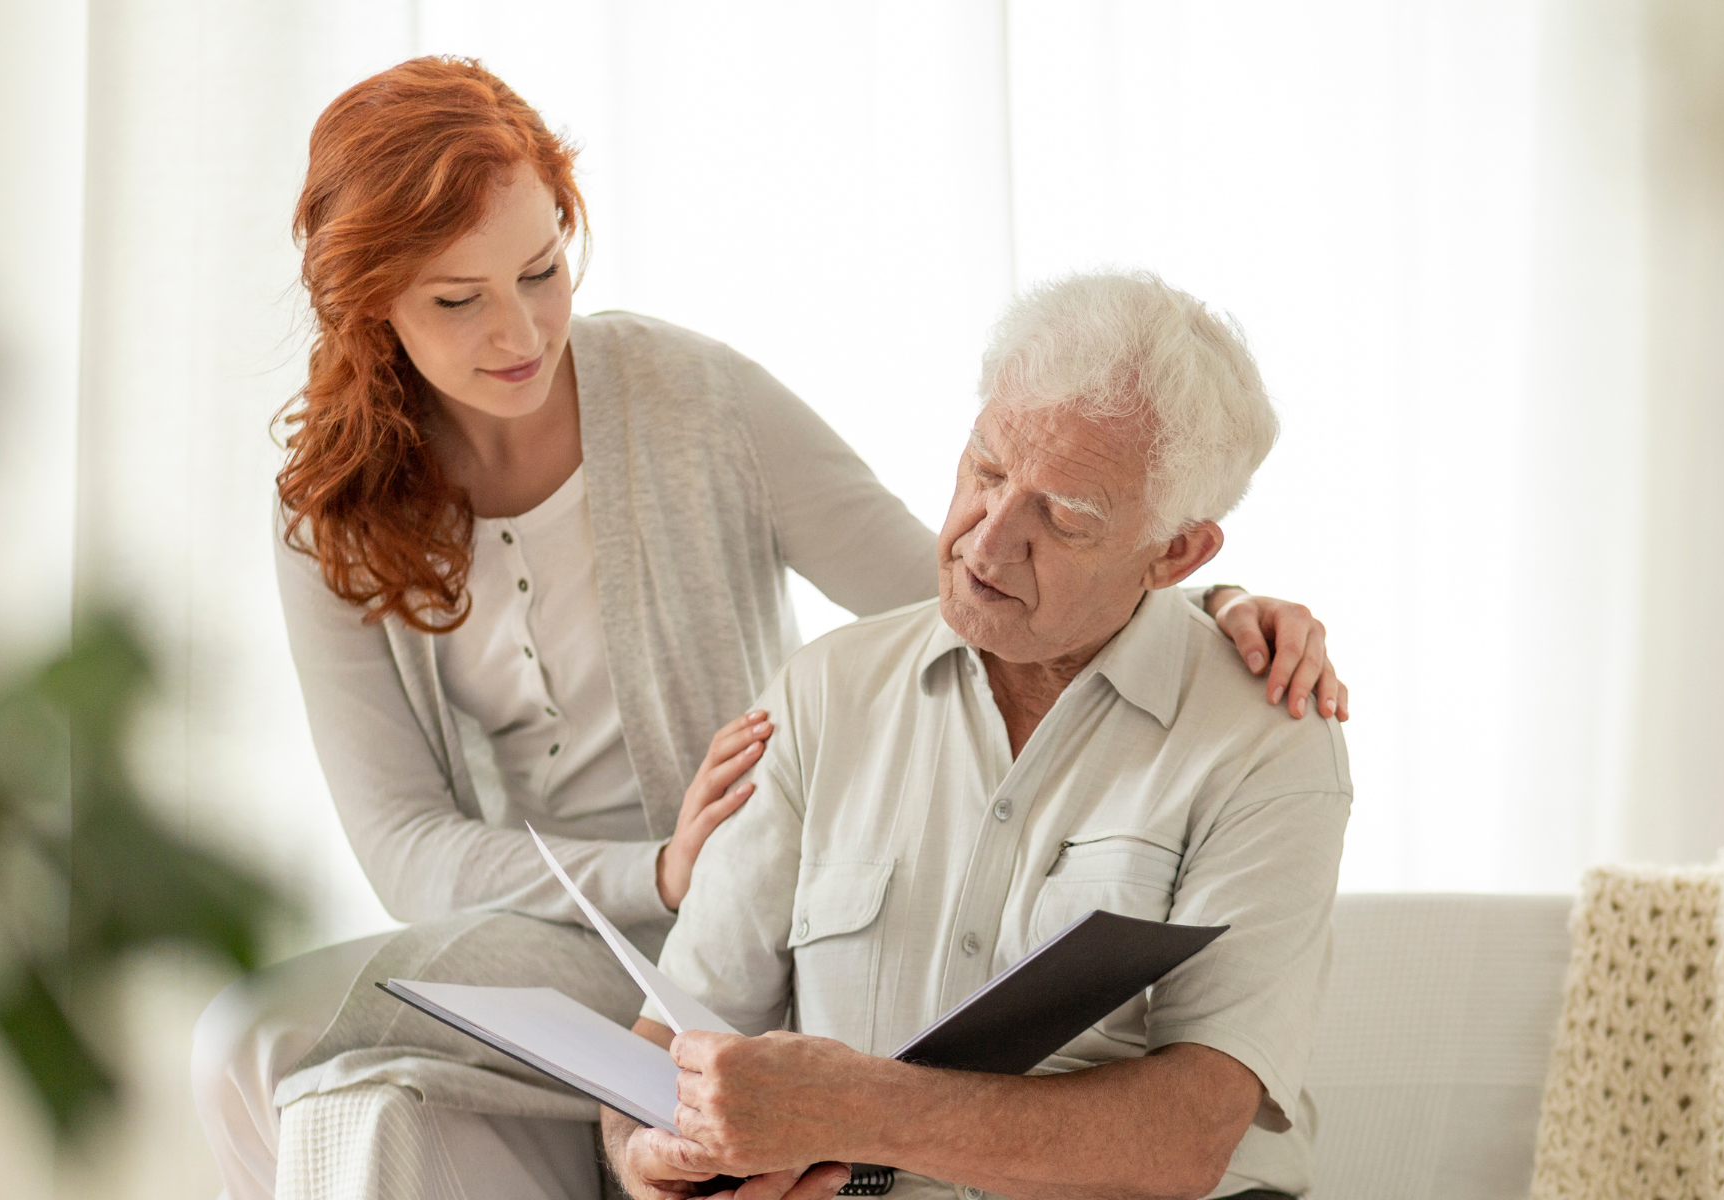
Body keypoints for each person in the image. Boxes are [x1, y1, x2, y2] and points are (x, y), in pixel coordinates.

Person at [189, 57, 1348, 1200]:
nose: (521, 331)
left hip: (747, 894)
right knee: (261, 1045)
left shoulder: (697, 398)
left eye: (544, 270)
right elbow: (402, 841)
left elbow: (953, 591)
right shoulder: (327, 514)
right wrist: (658, 873)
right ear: (368, 305)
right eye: (457, 299)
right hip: (564, 926)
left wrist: (1199, 616)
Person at [606, 271, 1350, 1200]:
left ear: (1177, 553)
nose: (987, 543)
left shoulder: (1266, 738)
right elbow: (667, 1046)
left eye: (1066, 518)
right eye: (988, 471)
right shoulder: (826, 693)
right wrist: (651, 1163)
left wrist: (851, 1105)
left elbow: (1188, 1137)